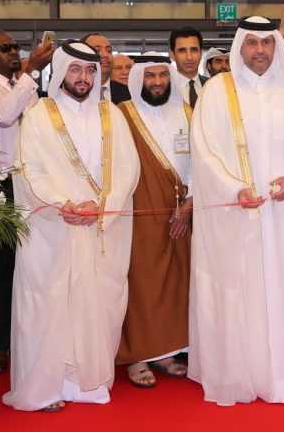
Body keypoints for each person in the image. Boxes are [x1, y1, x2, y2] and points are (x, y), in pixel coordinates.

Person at [187, 16, 284, 406]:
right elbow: (203, 152)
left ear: (277, 46)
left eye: (266, 43)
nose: (259, 50)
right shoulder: (216, 91)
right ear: (240, 46)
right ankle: (239, 375)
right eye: (251, 42)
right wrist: (234, 188)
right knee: (239, 292)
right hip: (236, 216)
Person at [4, 41, 140, 412]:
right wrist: (62, 205)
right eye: (76, 69)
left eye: (90, 70)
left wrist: (102, 206)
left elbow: (128, 170)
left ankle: (86, 383)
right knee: (49, 306)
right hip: (53, 230)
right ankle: (46, 386)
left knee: (98, 304)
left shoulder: (112, 115)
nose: (83, 77)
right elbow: (28, 170)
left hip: (101, 227)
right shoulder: (38, 115)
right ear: (62, 72)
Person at [0, 30, 54, 373]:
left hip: (30, 184)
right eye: (4, 48)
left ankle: (28, 338)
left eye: (15, 47)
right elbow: (3, 115)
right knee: (2, 268)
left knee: (33, 266)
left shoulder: (24, 85)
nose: (13, 52)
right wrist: (31, 72)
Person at [115, 53, 192, 387]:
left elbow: (201, 161)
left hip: (183, 210)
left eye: (163, 75)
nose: (158, 82)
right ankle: (138, 356)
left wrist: (189, 204)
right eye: (150, 76)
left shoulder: (187, 112)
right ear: (138, 80)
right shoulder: (122, 116)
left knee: (177, 282)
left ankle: (166, 352)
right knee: (142, 282)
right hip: (139, 210)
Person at [81, 33, 131, 104]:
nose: (105, 55)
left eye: (109, 51)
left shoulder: (128, 93)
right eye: (97, 50)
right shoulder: (71, 91)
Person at [169, 27, 206, 108]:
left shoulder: (212, 85)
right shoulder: (164, 88)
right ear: (172, 55)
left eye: (194, 50)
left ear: (201, 53)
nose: (189, 57)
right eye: (182, 51)